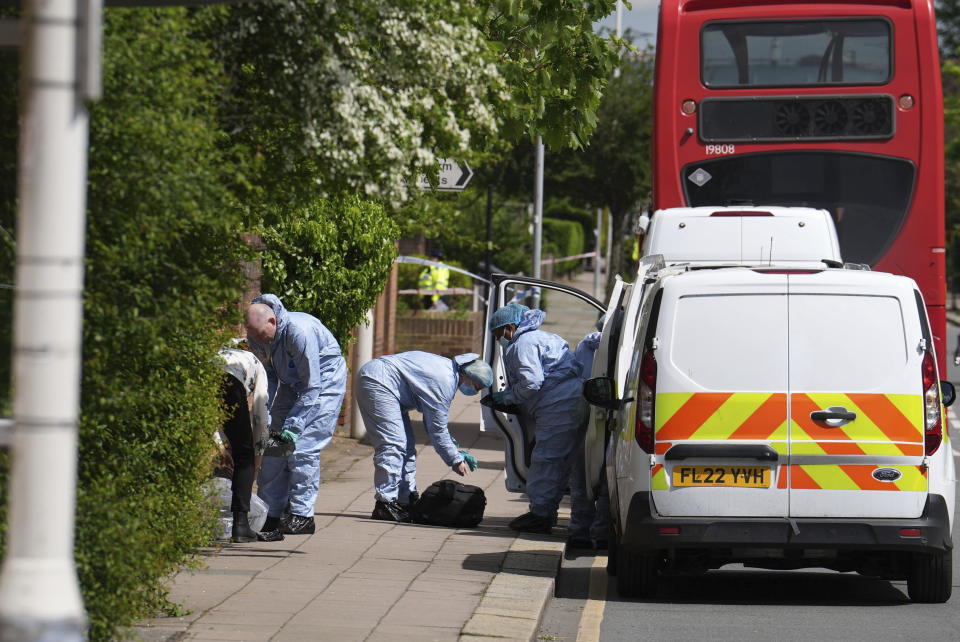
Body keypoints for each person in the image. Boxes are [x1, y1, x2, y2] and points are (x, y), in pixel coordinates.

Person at [245, 294, 346, 537]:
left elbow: (312, 385)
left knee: (302, 449)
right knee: (274, 447)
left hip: (324, 386)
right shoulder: (258, 334)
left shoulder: (299, 332)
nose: (258, 340)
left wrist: (295, 424)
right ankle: (270, 512)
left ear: (273, 321)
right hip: (292, 386)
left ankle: (302, 515)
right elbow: (266, 375)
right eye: (254, 335)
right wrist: (265, 413)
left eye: (261, 334)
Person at [355, 351, 492, 522]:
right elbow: (436, 429)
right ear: (470, 377)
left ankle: (406, 497)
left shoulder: (449, 371)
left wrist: (455, 450)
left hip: (384, 381)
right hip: (378, 382)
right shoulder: (444, 382)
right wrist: (454, 459)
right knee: (393, 444)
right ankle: (385, 503)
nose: (474, 391)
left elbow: (434, 424)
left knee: (407, 446)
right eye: (477, 387)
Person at [490, 304, 587, 533]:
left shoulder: (522, 344)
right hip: (570, 399)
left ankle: (540, 515)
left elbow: (532, 382)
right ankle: (579, 523)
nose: (499, 340)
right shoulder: (542, 337)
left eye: (498, 334)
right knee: (568, 463)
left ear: (509, 327)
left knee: (546, 460)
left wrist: (508, 397)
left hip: (557, 405)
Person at [218, 345, 271, 542]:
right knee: (244, 455)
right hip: (229, 384)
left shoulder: (224, 350)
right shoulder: (257, 364)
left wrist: (220, 444)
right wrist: (256, 459)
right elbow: (261, 418)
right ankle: (241, 525)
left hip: (199, 379)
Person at [567, 316, 611, 550]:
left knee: (582, 476)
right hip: (613, 416)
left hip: (585, 414)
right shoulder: (623, 345)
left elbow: (577, 376)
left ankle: (579, 532)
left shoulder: (586, 344)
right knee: (607, 476)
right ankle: (602, 532)